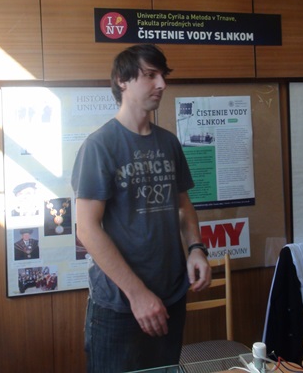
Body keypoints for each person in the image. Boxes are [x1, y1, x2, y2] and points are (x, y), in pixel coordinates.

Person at [71, 44, 212, 372]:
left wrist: (196, 248)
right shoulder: (99, 145)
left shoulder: (168, 142)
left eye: (163, 75)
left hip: (170, 297)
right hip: (120, 306)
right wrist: (137, 294)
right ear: (122, 80)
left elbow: (183, 206)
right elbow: (87, 229)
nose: (161, 84)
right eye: (150, 75)